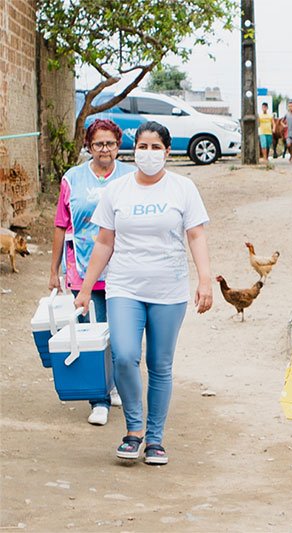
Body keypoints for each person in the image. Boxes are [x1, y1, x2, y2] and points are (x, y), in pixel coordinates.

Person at [74, 121, 213, 465]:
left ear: (167, 152)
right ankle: (133, 430)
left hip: (169, 289)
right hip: (125, 286)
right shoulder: (117, 191)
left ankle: (154, 439)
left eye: (155, 148)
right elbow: (105, 241)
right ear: (132, 150)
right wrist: (86, 287)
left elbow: (195, 235)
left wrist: (205, 280)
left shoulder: (183, 189)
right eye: (142, 146)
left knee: (160, 365)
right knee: (123, 355)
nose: (148, 153)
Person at [49, 118, 134, 426]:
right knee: (91, 334)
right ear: (88, 145)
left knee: (122, 335)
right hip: (84, 268)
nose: (104, 149)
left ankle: (117, 387)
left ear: (118, 145)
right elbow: (61, 224)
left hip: (124, 268)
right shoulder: (73, 178)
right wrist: (53, 269)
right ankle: (98, 398)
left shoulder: (131, 176)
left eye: (110, 143)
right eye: (98, 143)